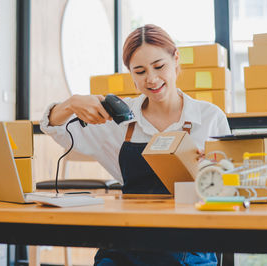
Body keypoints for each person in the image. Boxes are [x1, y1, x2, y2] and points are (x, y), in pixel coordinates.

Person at [40, 24, 230, 266]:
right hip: (125, 244)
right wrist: (71, 104)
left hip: (189, 246)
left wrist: (210, 172)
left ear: (176, 59)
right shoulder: (119, 119)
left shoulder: (210, 118)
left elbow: (229, 194)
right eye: (139, 71)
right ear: (130, 73)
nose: (151, 79)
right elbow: (54, 127)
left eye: (159, 66)